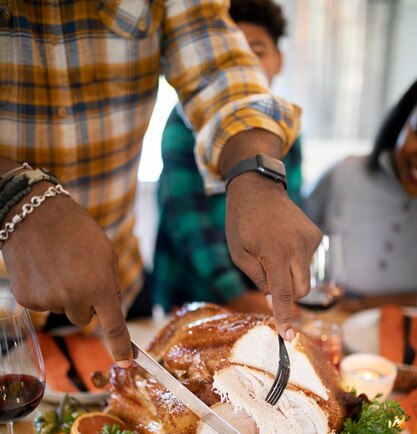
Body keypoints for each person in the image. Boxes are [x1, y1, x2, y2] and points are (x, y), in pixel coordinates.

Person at [0, 0, 321, 367]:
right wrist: (15, 198)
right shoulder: (178, 134)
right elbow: (192, 230)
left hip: (119, 285)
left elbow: (217, 70)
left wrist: (257, 172)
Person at [154, 0, 303, 315]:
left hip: (257, 295)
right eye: (234, 54)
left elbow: (291, 208)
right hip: (191, 293)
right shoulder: (182, 126)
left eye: (256, 52)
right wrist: (237, 296)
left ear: (279, 61)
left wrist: (281, 286)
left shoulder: (288, 130)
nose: (243, 66)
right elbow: (192, 226)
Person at [304, 79, 417, 296]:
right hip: (329, 316)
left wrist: (365, 306)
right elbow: (295, 232)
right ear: (401, 123)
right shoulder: (345, 173)